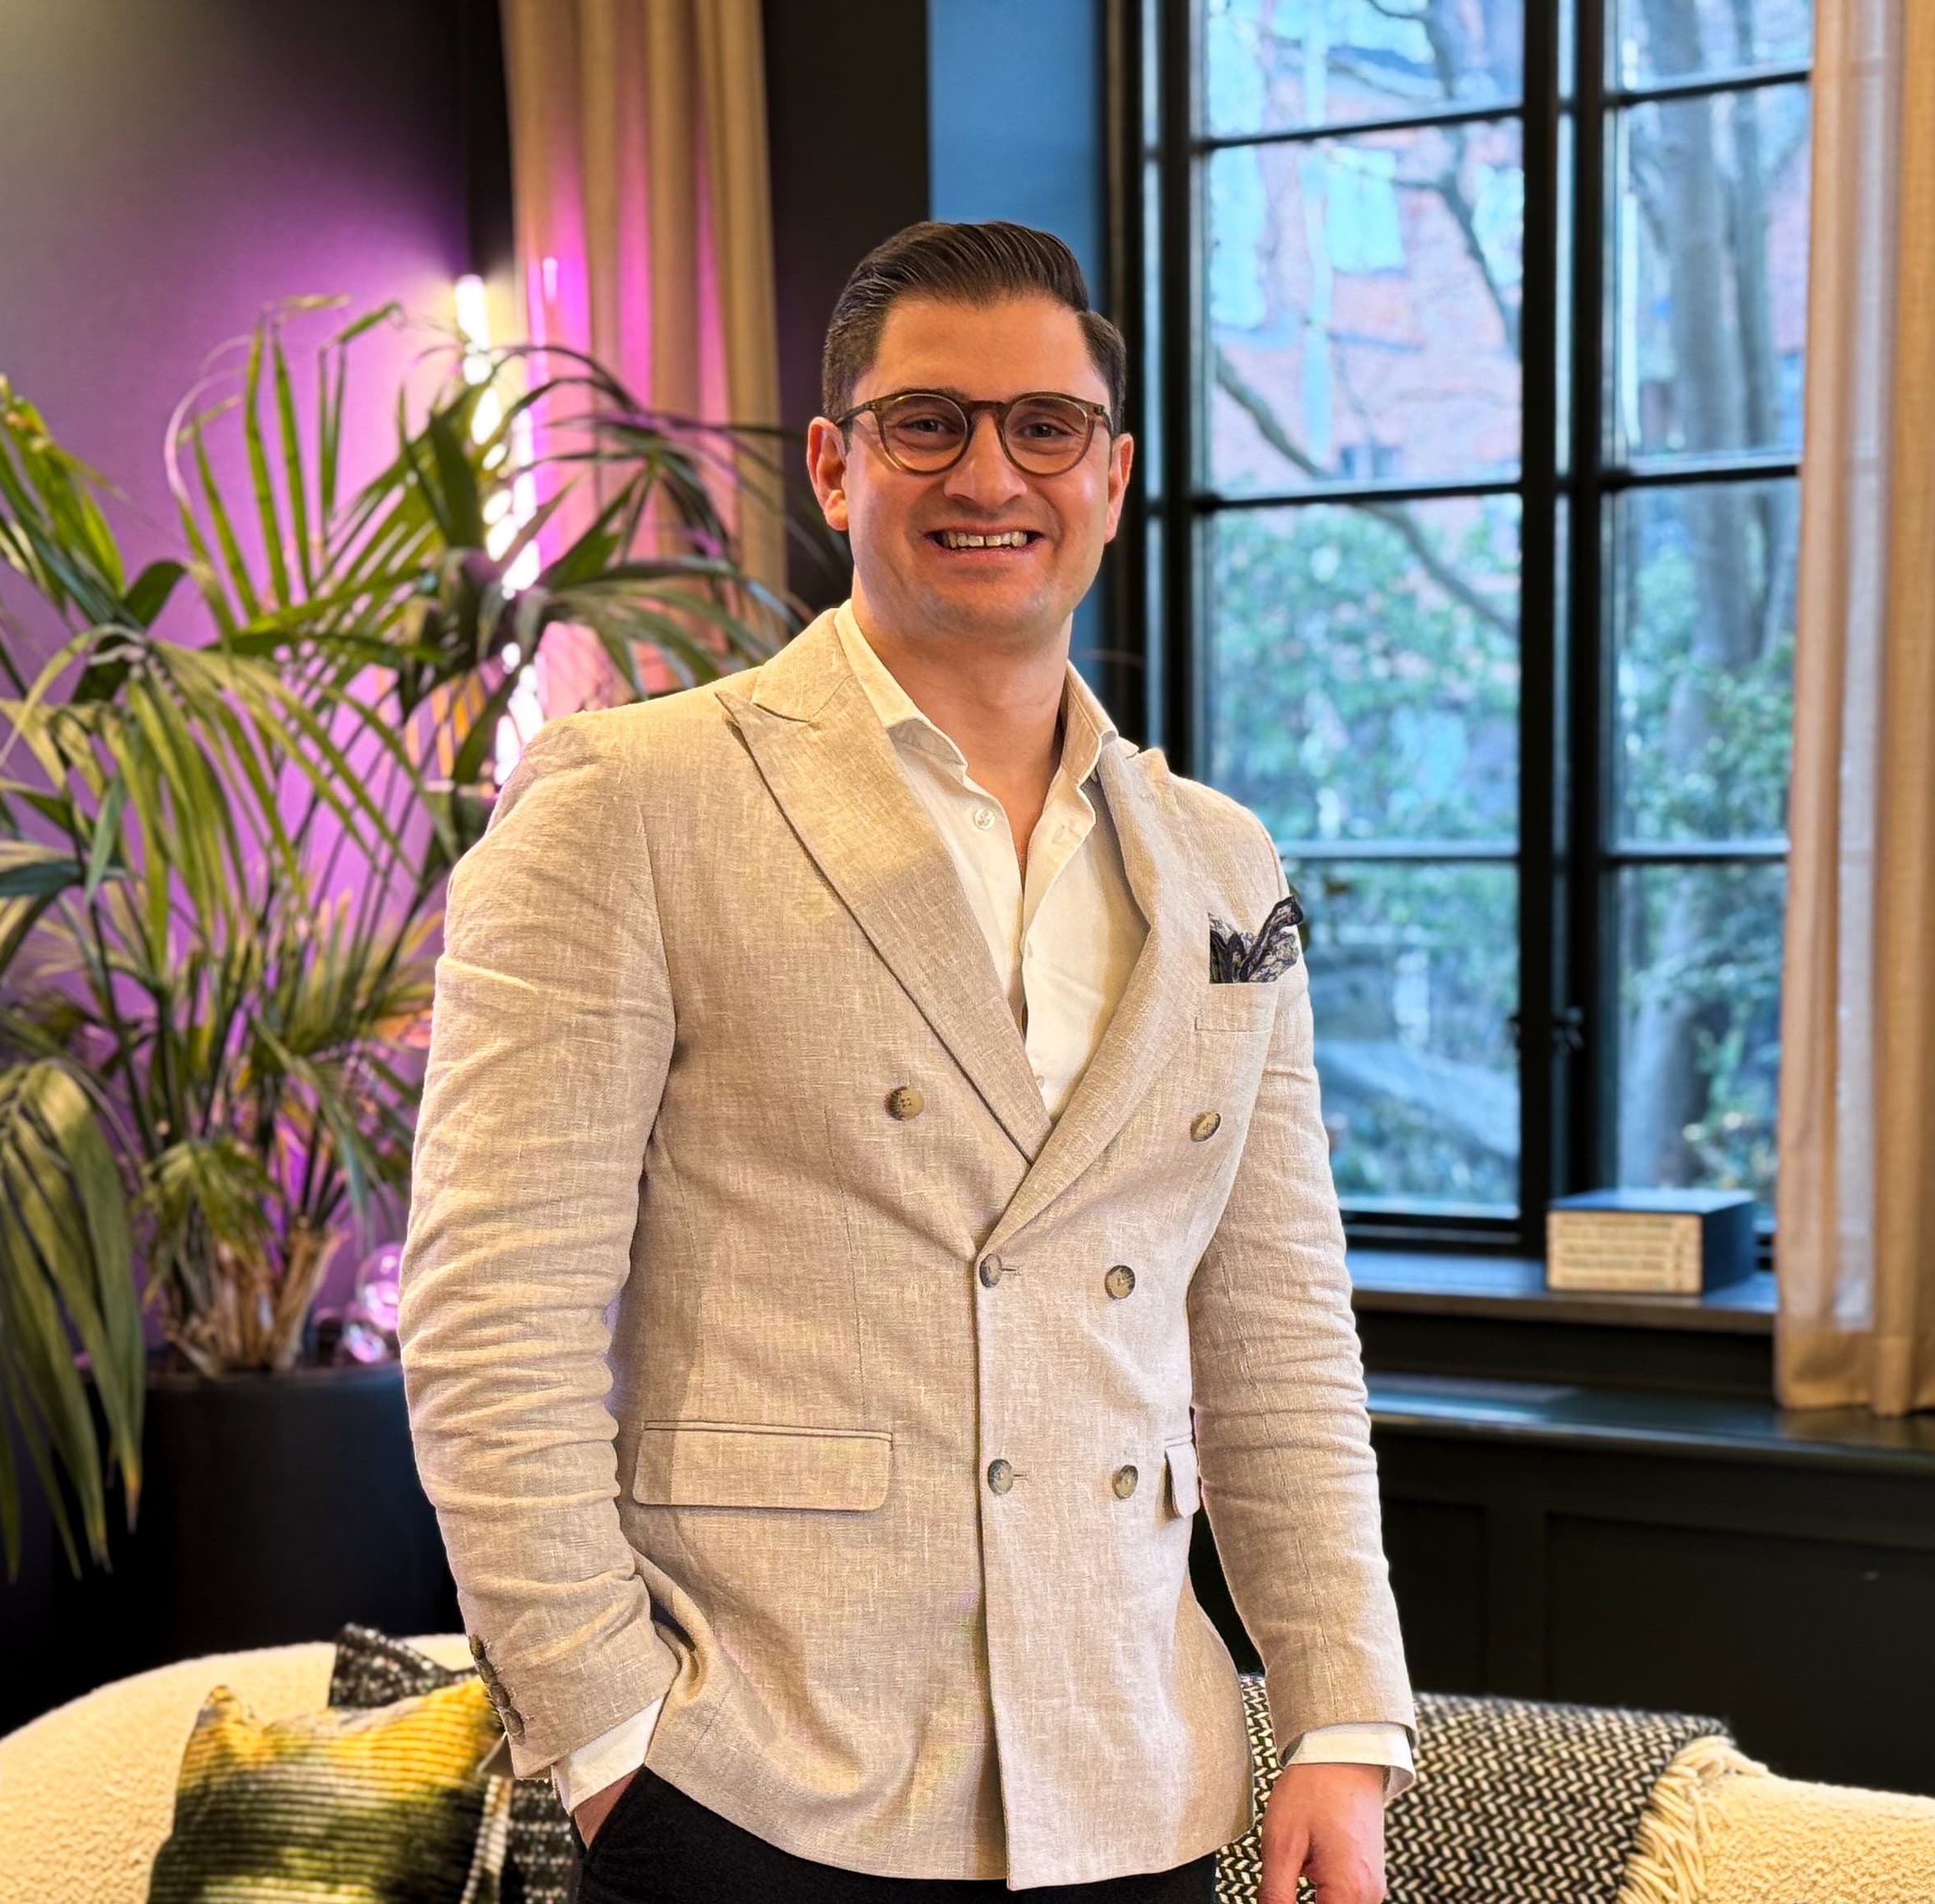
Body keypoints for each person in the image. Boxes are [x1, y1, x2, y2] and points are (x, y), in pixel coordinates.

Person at [396, 220, 1416, 1904]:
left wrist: (1338, 1714)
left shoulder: (1224, 862)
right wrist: (603, 1732)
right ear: (835, 464)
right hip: (754, 1780)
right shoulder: (629, 800)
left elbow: (1278, 1325)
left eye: (1047, 426)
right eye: (927, 423)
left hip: (1135, 1782)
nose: (990, 474)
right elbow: (492, 1312)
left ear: (1113, 474)